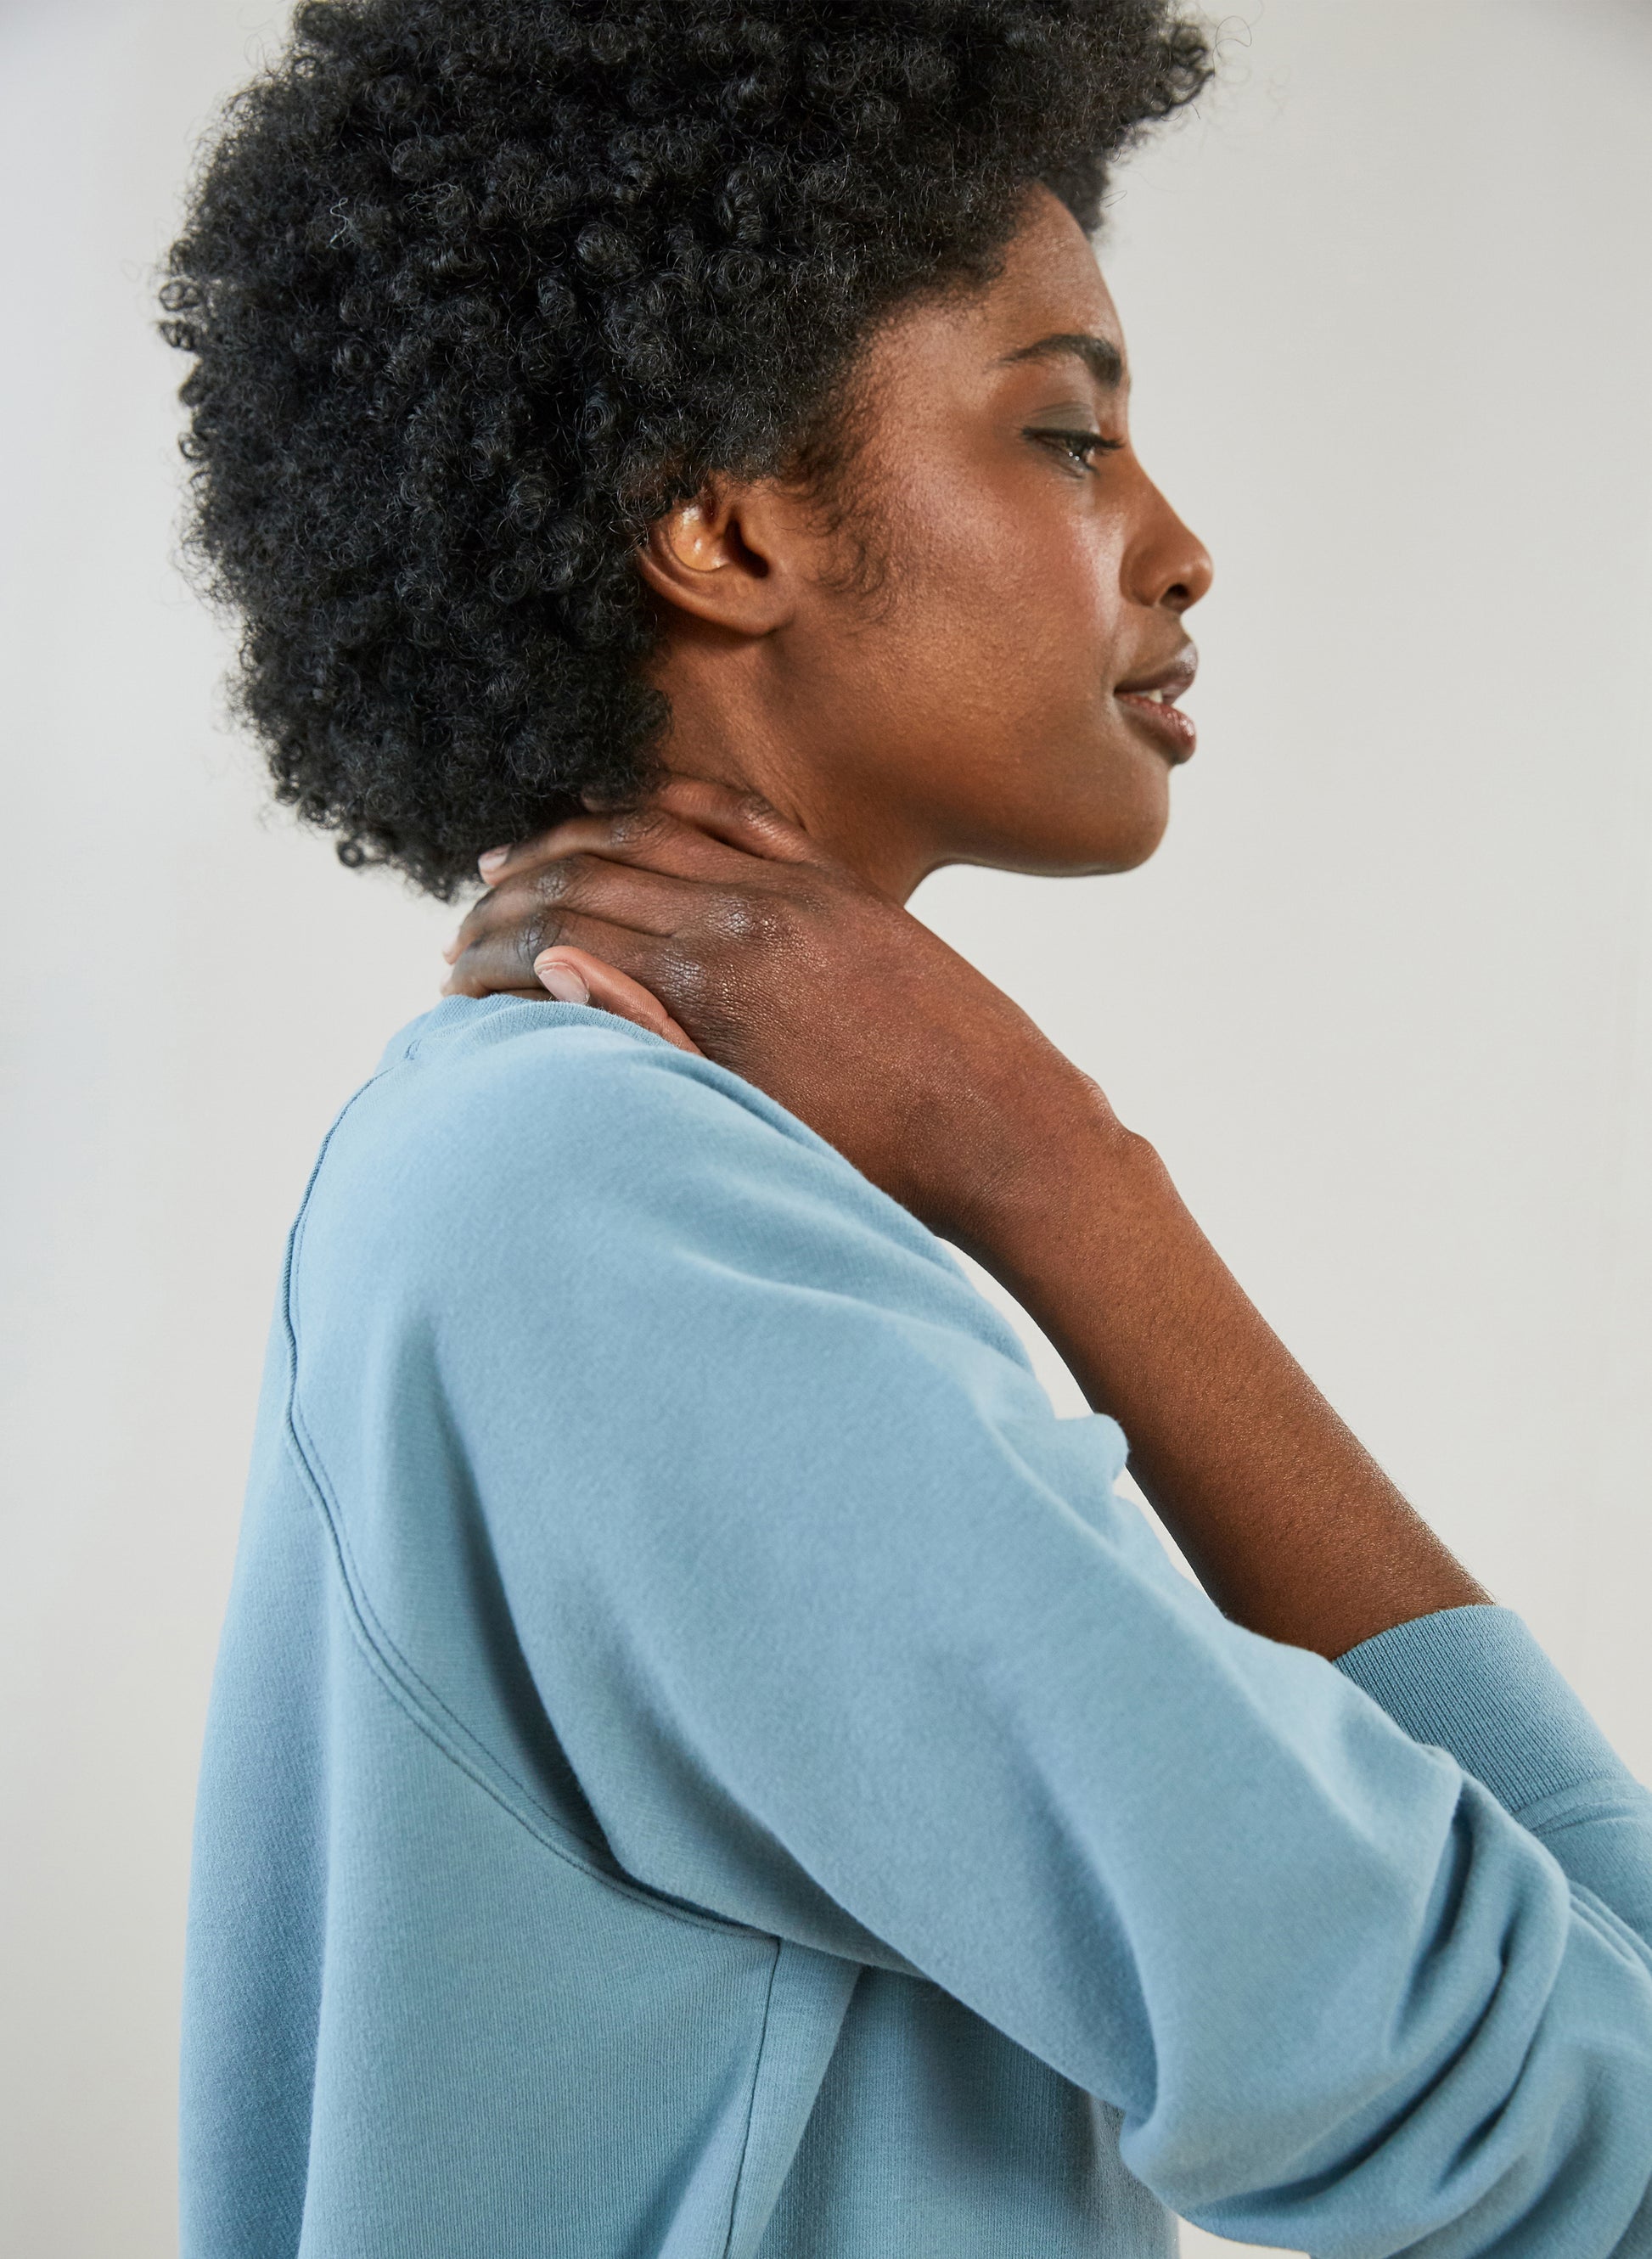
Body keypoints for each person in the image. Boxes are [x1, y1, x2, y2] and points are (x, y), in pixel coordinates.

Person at [163, 3, 1652, 2253]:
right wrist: (1068, 1180)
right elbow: (1567, 2130)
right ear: (720, 526)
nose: (1178, 546)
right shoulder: (609, 1209)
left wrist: (1040, 1171)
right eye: (1066, 435)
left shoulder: (572, 1175)